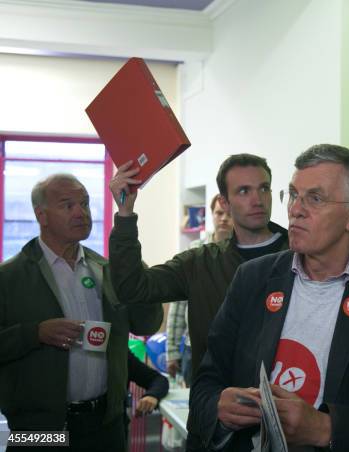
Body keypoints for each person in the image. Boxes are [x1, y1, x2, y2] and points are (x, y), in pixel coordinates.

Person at [190, 145, 349, 451]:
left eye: (314, 199)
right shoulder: (252, 279)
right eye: (293, 195)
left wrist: (325, 428)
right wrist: (218, 408)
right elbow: (205, 384)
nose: (295, 209)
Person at [107, 153, 289, 449]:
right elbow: (133, 288)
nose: (258, 199)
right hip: (216, 425)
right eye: (244, 191)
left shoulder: (303, 257)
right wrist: (125, 216)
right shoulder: (201, 263)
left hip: (289, 423)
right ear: (225, 203)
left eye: (264, 188)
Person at [0, 174, 163, 452]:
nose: (81, 212)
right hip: (35, 431)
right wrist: (35, 333)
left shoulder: (107, 270)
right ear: (42, 215)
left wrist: (135, 275)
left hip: (105, 426)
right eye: (68, 205)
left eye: (85, 204)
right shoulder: (9, 277)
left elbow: (147, 323)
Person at [166, 194, 234, 387]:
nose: (224, 218)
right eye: (219, 213)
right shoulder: (195, 252)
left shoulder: (241, 254)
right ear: (211, 215)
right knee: (194, 408)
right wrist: (172, 351)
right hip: (194, 348)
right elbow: (178, 307)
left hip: (230, 350)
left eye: (229, 214)